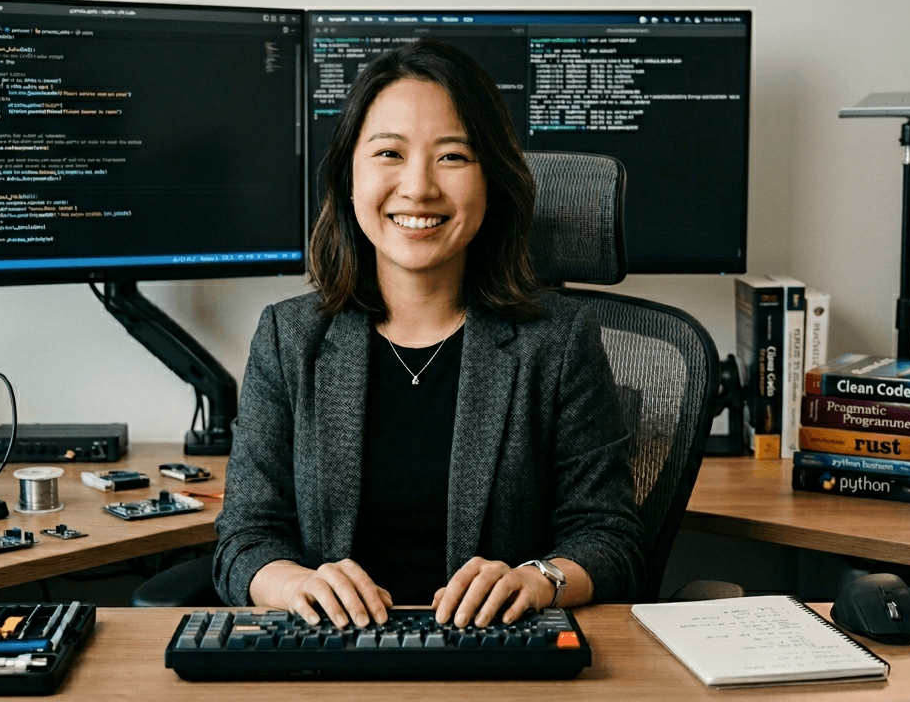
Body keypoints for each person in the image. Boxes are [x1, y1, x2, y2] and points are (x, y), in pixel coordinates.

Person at [213, 39, 643, 630]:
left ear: (492, 179)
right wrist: (298, 585)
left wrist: (538, 580)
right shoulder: (291, 339)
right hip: (331, 661)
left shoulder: (559, 340)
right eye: (389, 152)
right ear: (349, 175)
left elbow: (611, 538)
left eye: (453, 157)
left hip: (497, 658)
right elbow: (244, 538)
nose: (418, 188)